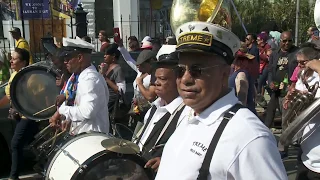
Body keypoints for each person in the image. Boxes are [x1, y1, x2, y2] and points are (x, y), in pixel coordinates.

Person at [155, 21, 287, 180]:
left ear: (224, 74)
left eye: (197, 70)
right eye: (180, 70)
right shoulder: (189, 114)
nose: (185, 79)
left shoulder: (250, 137)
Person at [134, 45, 187, 172]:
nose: (156, 83)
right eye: (156, 78)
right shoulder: (154, 108)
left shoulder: (186, 113)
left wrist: (167, 160)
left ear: (178, 81)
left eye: (162, 79)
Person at [49, 37, 109, 135]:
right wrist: (68, 119)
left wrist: (61, 111)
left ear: (80, 58)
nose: (65, 62)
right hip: (83, 134)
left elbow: (87, 112)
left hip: (92, 137)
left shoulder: (90, 79)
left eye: (67, 58)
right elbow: (76, 105)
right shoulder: (78, 76)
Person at [0, 48, 38, 180]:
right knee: (28, 145)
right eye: (11, 57)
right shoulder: (14, 75)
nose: (11, 60)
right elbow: (9, 95)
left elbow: (42, 97)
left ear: (23, 62)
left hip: (28, 117)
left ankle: (13, 176)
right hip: (18, 116)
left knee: (16, 144)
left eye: (14, 58)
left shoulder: (30, 77)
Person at [285, 43, 320, 180]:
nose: (299, 66)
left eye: (302, 62)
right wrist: (293, 97)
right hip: (305, 149)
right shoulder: (302, 74)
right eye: (297, 62)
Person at [229, 47, 256, 114]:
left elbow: (242, 96)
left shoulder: (241, 74)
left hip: (241, 112)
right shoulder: (237, 72)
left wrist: (241, 113)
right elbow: (255, 93)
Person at [99, 43, 126, 110]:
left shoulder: (118, 70)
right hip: (103, 101)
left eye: (107, 54)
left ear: (113, 56)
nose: (104, 56)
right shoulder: (106, 68)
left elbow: (121, 90)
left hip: (111, 104)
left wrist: (105, 77)